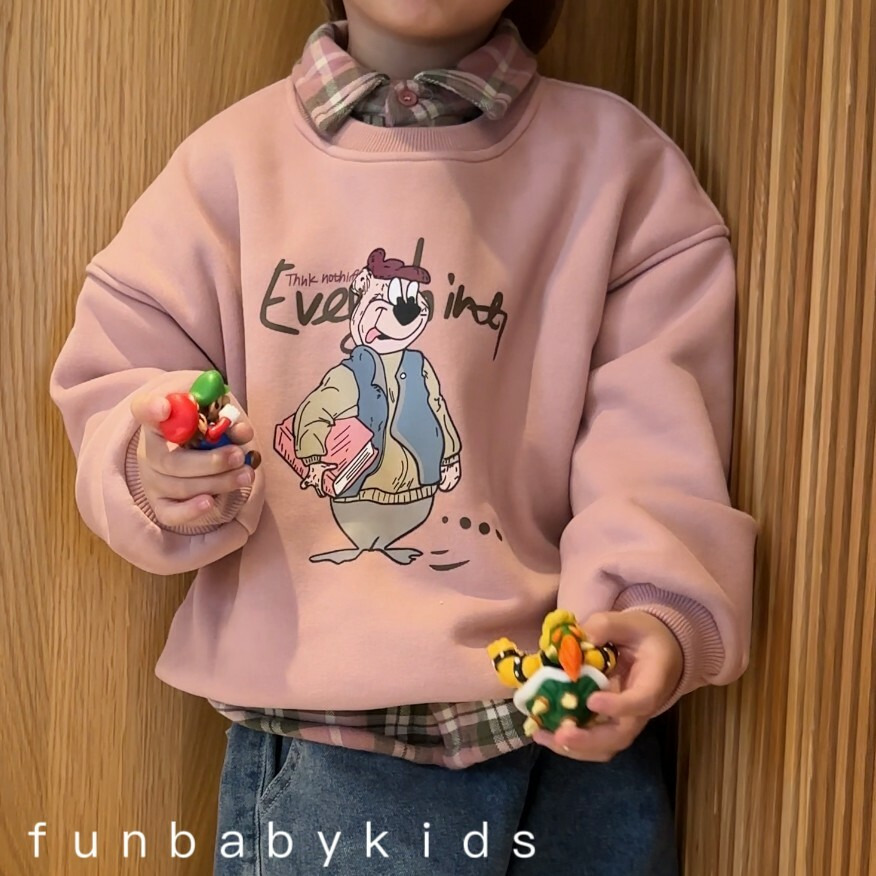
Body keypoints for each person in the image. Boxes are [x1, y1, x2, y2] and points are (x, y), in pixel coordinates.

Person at [49, 0, 758, 872]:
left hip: (582, 734)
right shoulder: (225, 171)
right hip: (333, 755)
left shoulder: (622, 172)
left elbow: (654, 439)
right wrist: (161, 467)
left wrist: (659, 610)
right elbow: (119, 382)